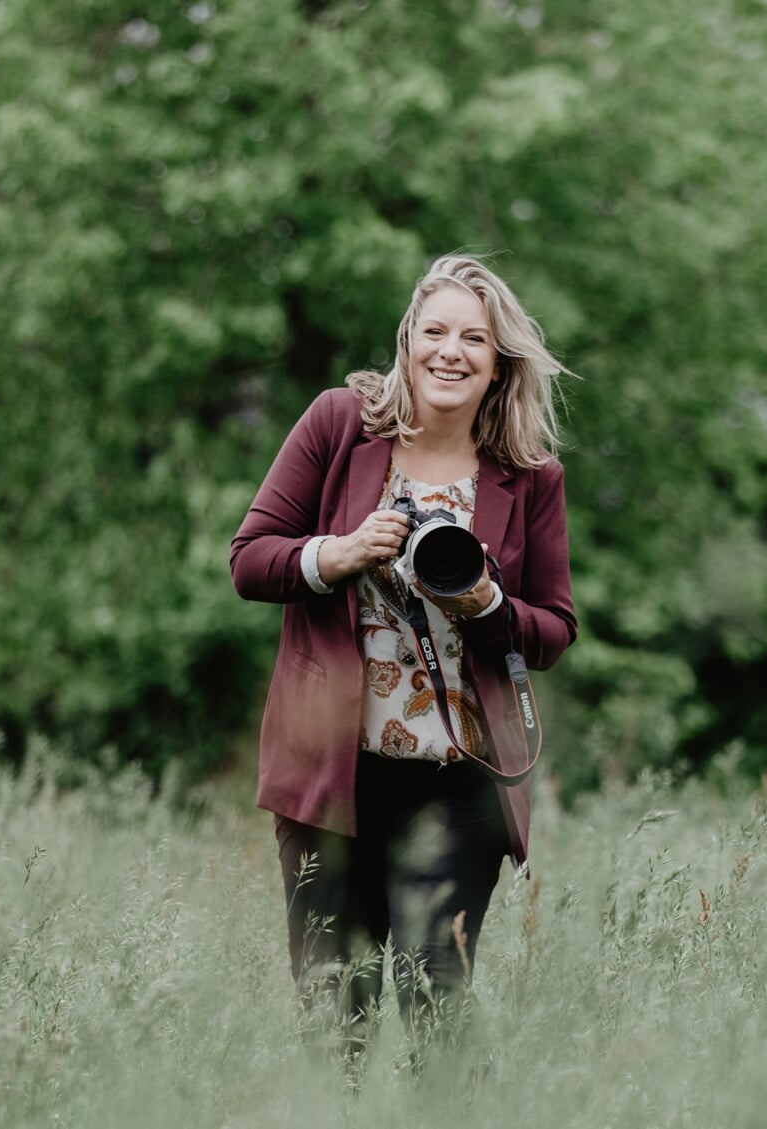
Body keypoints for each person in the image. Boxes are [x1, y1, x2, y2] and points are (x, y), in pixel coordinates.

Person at [229, 254, 576, 1067]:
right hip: (333, 773)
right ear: (408, 341)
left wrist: (486, 605)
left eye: (475, 339)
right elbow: (250, 559)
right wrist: (341, 551)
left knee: (436, 1000)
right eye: (436, 331)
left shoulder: (529, 478)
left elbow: (555, 628)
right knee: (333, 1012)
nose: (451, 351)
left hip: (461, 783)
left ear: (499, 365)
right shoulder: (338, 424)